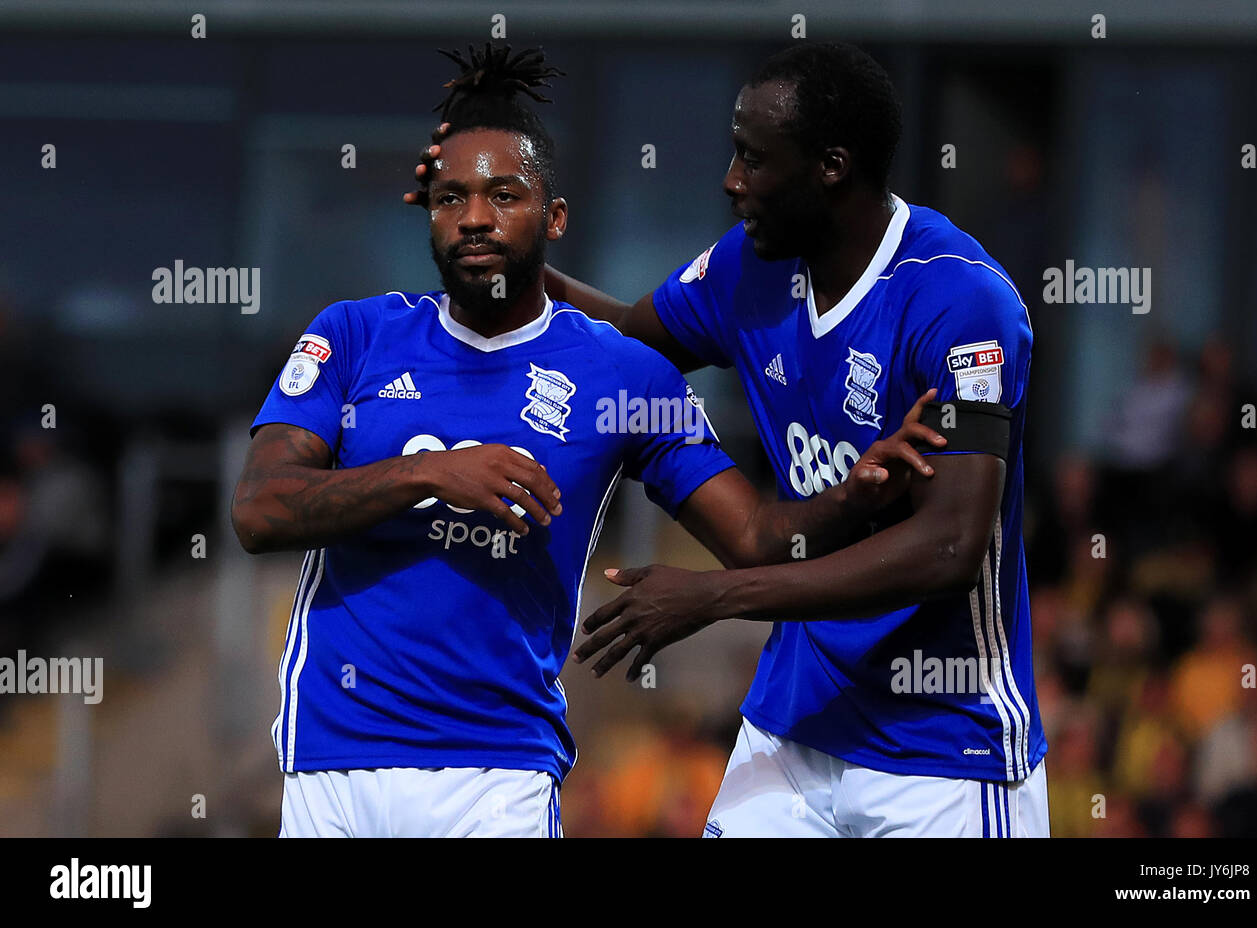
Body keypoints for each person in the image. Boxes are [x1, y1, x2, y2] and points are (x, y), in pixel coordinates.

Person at [234, 43, 942, 838]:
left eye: (505, 194)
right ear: (428, 211)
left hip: (499, 774)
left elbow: (753, 538)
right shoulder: (353, 334)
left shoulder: (626, 376)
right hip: (332, 760)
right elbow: (260, 510)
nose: (475, 217)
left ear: (555, 217)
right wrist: (426, 474)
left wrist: (855, 492)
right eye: (452, 197)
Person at [405, 40, 1048, 837]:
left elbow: (949, 550)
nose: (731, 180)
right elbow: (630, 340)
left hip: (942, 747)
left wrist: (715, 596)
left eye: (752, 158)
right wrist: (502, 240)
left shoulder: (961, 302)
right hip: (793, 722)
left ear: (831, 167)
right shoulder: (753, 265)